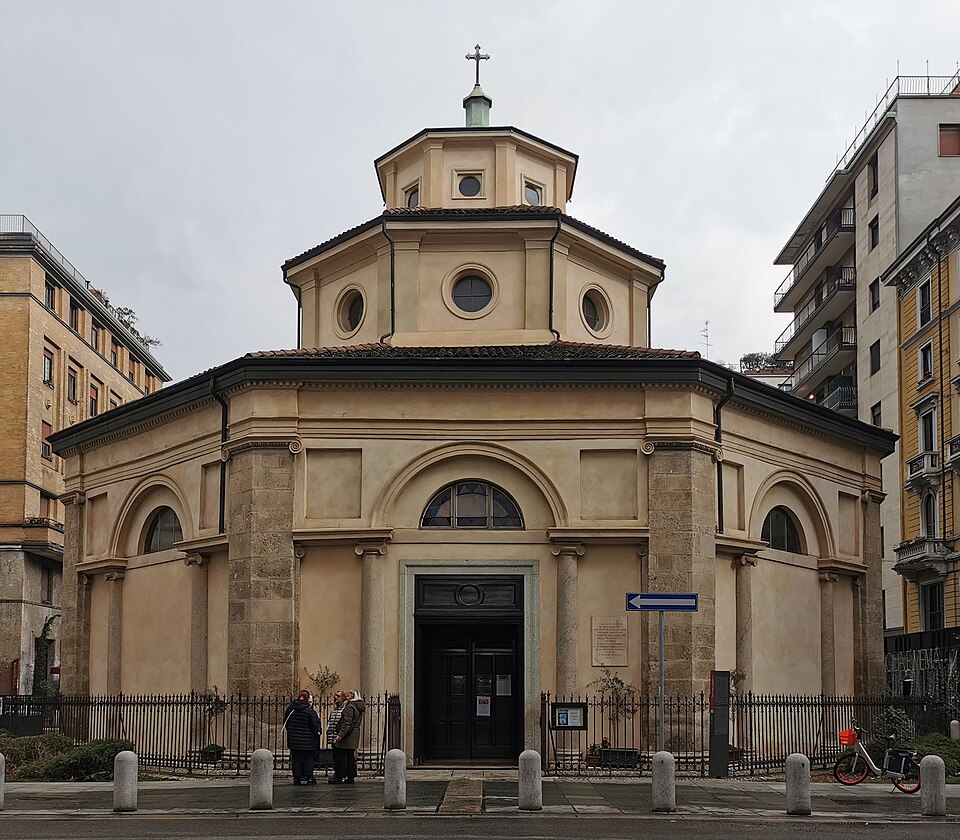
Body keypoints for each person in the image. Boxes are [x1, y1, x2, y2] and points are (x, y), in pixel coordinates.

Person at [284, 689, 320, 785]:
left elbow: (286, 723)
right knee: (309, 758)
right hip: (308, 740)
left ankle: (297, 778)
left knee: (295, 758)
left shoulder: (290, 710)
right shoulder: (309, 712)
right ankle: (309, 777)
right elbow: (314, 726)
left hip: (294, 739)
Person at [330, 689, 365, 784]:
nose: (347, 697)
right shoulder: (359, 707)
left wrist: (340, 735)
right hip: (354, 735)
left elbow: (347, 723)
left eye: (349, 695)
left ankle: (340, 776)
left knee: (342, 757)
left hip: (347, 736)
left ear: (353, 697)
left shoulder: (350, 707)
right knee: (350, 757)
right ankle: (350, 776)